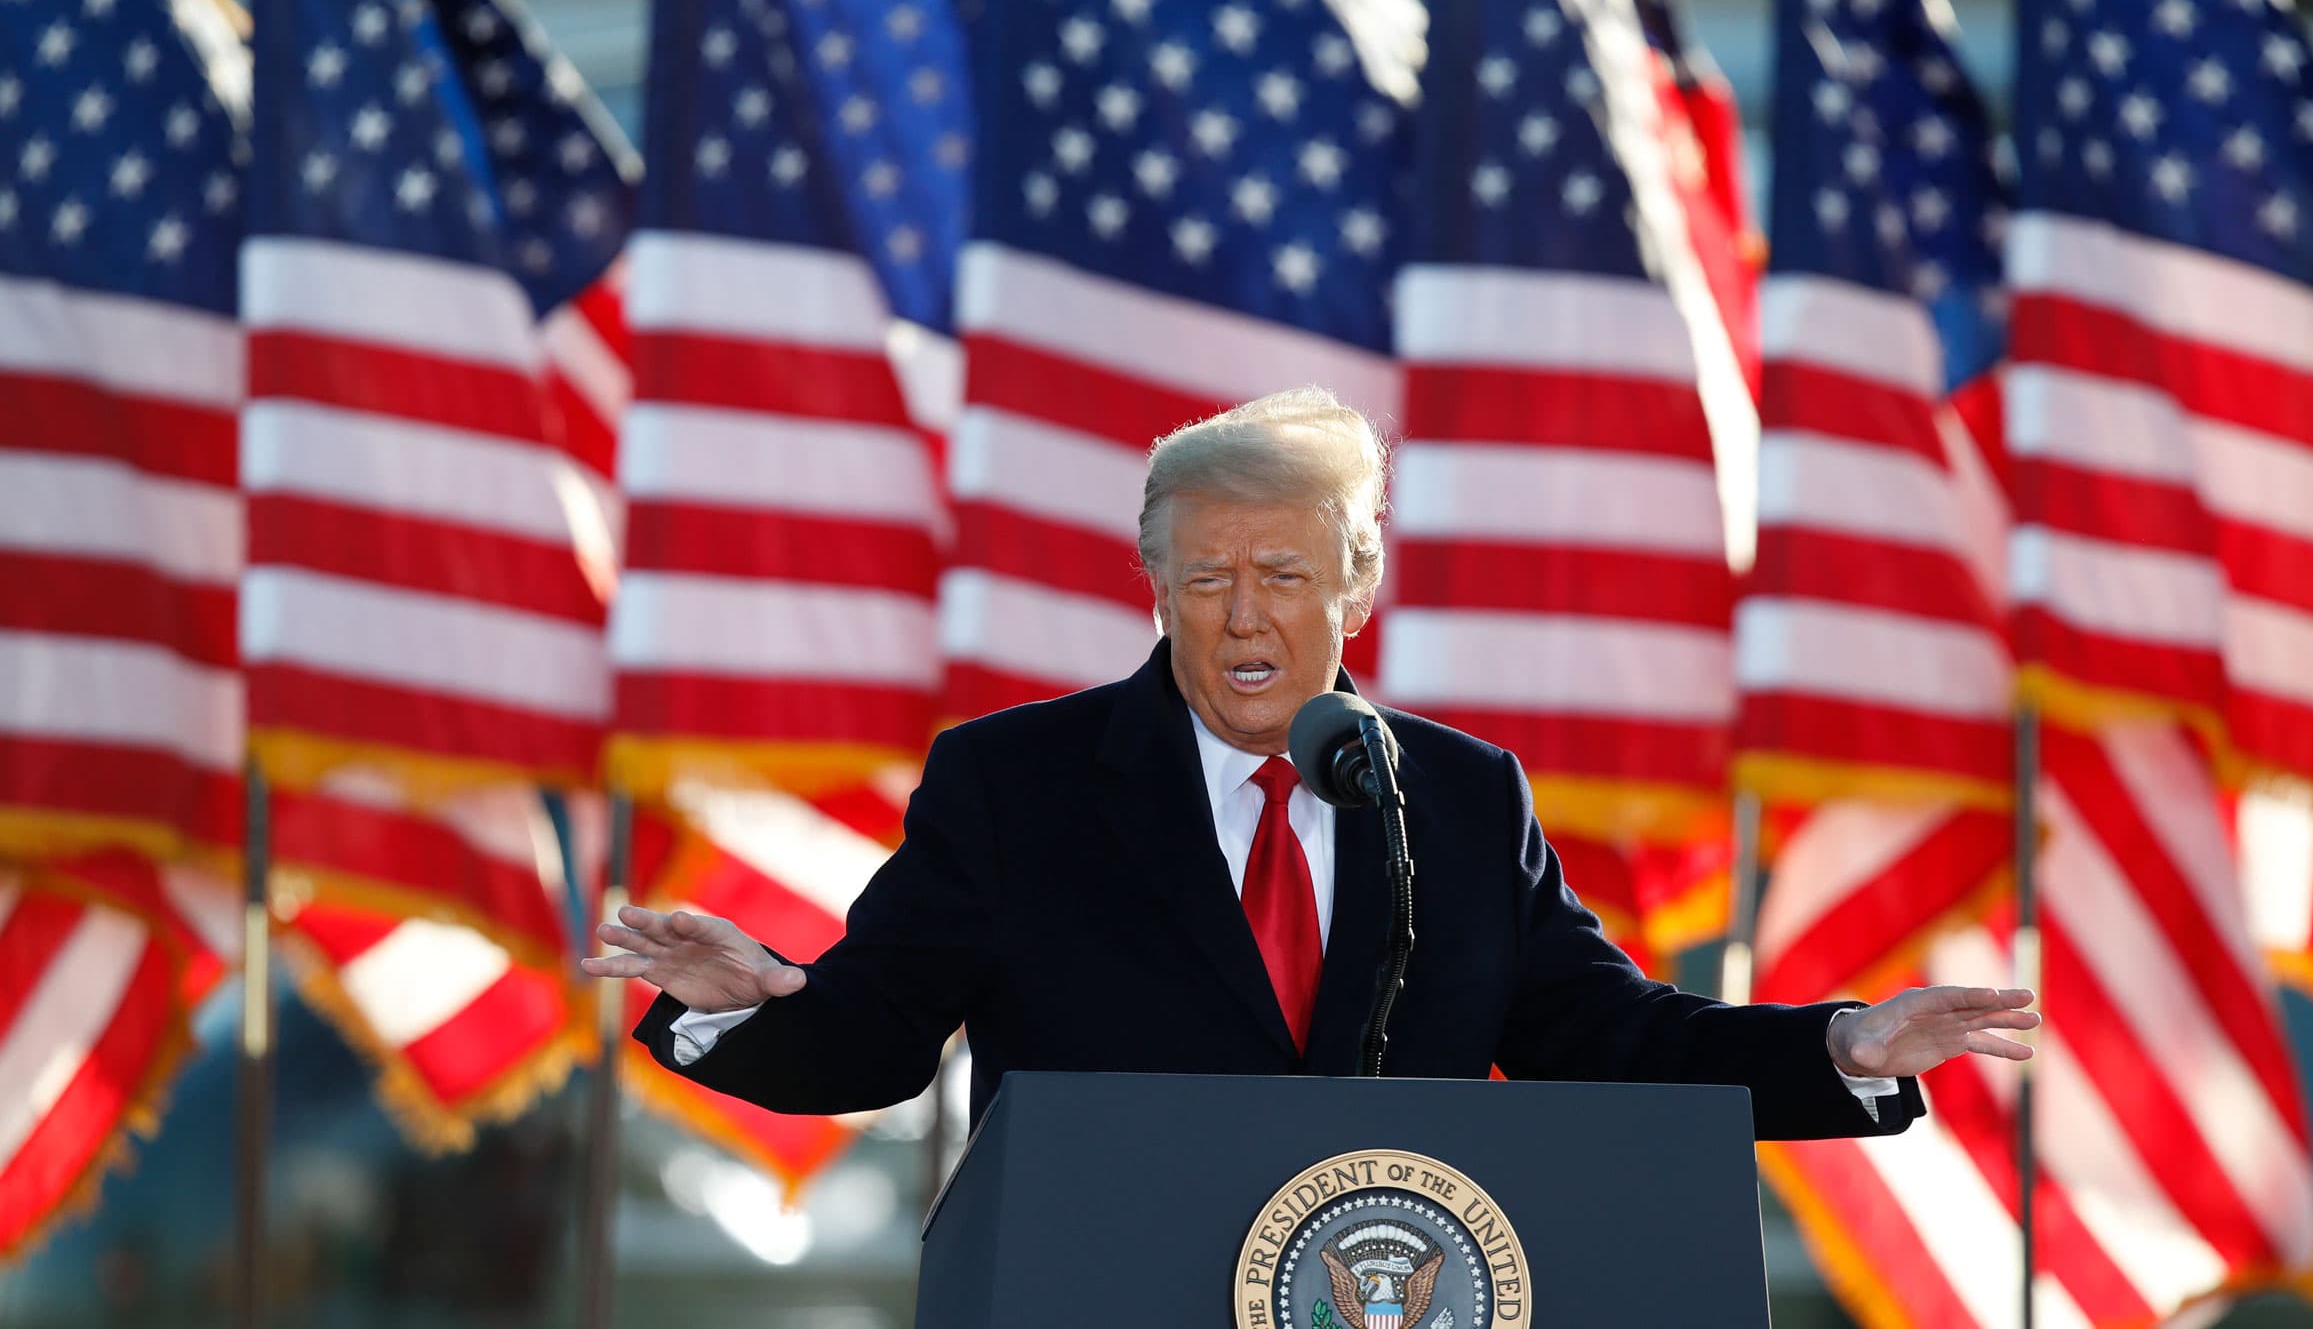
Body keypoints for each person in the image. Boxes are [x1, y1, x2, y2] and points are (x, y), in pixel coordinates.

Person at [584, 387, 2038, 1139]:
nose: (1241, 611)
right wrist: (750, 1002)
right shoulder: (1013, 786)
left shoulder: (1463, 799)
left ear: (1357, 585)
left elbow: (1614, 1041)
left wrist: (1843, 1045)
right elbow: (879, 1034)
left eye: (1282, 570)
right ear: (1155, 588)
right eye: (1202, 574)